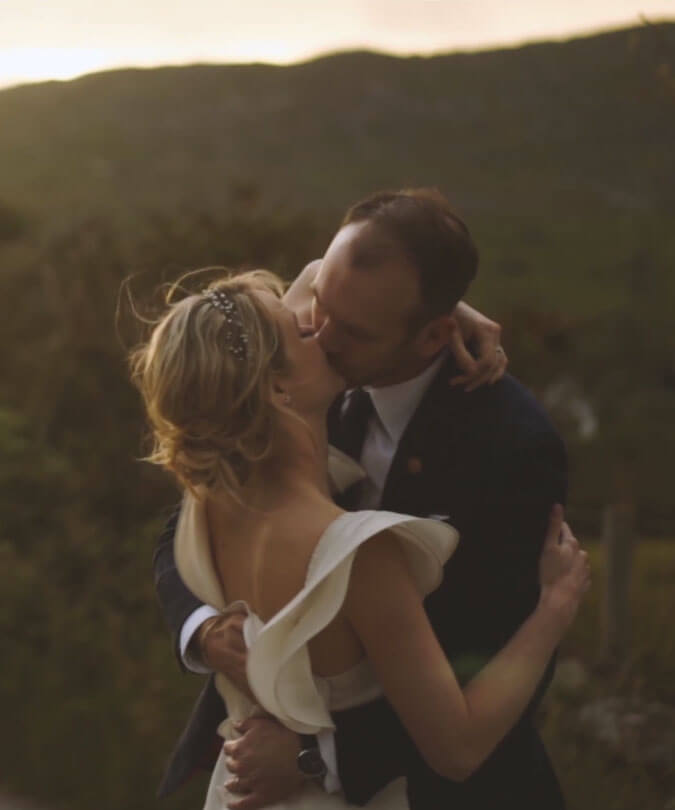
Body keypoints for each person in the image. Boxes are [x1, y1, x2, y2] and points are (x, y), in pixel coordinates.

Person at [152, 189, 578, 809]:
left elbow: (479, 664)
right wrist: (201, 628)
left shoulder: (511, 446)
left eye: (349, 327)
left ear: (434, 334)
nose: (318, 330)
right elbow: (180, 528)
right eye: (317, 305)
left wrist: (312, 756)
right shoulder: (316, 373)